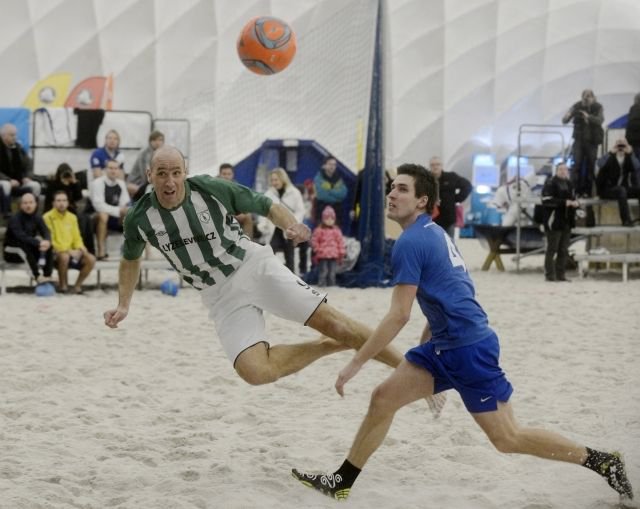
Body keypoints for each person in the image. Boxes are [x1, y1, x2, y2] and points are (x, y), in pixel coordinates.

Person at [292, 163, 634, 505]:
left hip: (468, 349)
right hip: (445, 344)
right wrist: (427, 344)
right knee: (383, 399)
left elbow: (398, 315)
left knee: (507, 438)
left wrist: (356, 363)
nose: (392, 194)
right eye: (392, 188)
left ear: (423, 200)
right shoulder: (434, 231)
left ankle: (601, 461)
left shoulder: (410, 242)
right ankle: (342, 481)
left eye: (403, 189)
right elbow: (452, 291)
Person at [103, 147, 446, 401]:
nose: (170, 180)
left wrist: (292, 224)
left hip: (253, 267)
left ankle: (414, 372)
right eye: (161, 173)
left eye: (176, 172)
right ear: (149, 177)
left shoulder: (209, 188)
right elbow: (129, 259)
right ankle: (329, 347)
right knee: (255, 371)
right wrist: (124, 304)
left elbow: (265, 204)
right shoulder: (140, 218)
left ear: (185, 172)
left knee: (337, 322)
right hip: (219, 296)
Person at [44, 190, 96, 294]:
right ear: (53, 203)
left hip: (72, 251)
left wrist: (81, 248)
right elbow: (51, 240)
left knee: (91, 258)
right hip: (55, 253)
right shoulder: (47, 217)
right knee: (64, 256)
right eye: (58, 200)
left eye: (64, 200)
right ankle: (63, 287)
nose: (61, 203)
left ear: (68, 203)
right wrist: (69, 251)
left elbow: (77, 237)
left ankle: (77, 286)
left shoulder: (72, 217)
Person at [258, 167, 305, 273]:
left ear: (283, 179)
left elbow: (300, 211)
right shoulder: (268, 194)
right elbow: (263, 211)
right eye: (272, 180)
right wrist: (262, 224)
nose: (274, 182)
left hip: (289, 228)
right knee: (269, 253)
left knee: (290, 255)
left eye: (276, 179)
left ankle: (291, 278)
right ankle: (269, 276)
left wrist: (293, 223)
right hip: (273, 228)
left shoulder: (294, 192)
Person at [3, 192, 54, 284]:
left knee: (48, 247)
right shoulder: (15, 219)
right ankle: (37, 276)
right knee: (24, 245)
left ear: (35, 204)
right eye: (25, 203)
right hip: (12, 252)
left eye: (31, 202)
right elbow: (20, 236)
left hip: (29, 250)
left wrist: (47, 241)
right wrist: (39, 243)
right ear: (21, 205)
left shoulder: (37, 217)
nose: (28, 205)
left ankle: (47, 276)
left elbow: (46, 231)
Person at [541, 162, 579, 282]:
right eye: (561, 169)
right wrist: (564, 203)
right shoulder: (550, 183)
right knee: (552, 249)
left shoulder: (569, 183)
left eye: (565, 169)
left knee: (563, 249)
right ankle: (549, 275)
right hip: (554, 220)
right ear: (556, 171)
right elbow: (546, 200)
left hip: (567, 220)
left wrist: (577, 203)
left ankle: (560, 274)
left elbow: (573, 198)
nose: (563, 171)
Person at [562, 89, 605, 197]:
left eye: (589, 96)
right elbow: (564, 120)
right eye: (585, 96)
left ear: (593, 97)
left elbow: (600, 120)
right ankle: (575, 191)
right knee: (576, 165)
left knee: (591, 166)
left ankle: (588, 191)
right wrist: (566, 116)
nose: (587, 98)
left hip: (592, 142)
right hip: (579, 140)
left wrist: (588, 117)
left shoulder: (598, 107)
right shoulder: (576, 106)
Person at [90, 158, 130, 260]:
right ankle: (101, 252)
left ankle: (131, 251)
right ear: (105, 170)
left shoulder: (121, 184)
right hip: (94, 217)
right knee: (104, 215)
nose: (113, 171)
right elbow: (99, 206)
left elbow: (124, 204)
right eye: (110, 168)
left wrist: (123, 211)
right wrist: (118, 211)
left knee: (132, 214)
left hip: (114, 217)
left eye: (116, 168)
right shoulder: (98, 183)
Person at [596, 138, 640, 226]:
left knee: (636, 190)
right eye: (619, 144)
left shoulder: (628, 157)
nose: (621, 147)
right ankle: (626, 221)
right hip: (607, 189)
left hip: (621, 189)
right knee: (621, 190)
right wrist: (611, 152)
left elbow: (637, 166)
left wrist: (630, 152)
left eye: (623, 145)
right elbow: (599, 164)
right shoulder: (610, 156)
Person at [428, 156, 472, 237]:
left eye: (438, 164)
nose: (435, 167)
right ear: (430, 166)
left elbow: (467, 186)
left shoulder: (451, 177)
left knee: (449, 243)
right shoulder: (425, 180)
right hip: (431, 219)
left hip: (448, 218)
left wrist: (456, 199)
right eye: (433, 165)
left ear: (442, 166)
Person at [0, 123, 41, 204]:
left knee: (35, 185)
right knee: (5, 185)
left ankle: (33, 211)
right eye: (12, 135)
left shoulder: (18, 148)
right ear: (3, 136)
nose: (15, 137)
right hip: (3, 181)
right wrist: (8, 180)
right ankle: (6, 212)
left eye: (15, 135)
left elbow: (29, 165)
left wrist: (27, 177)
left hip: (19, 181)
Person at [217, 162, 254, 239]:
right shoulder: (213, 185)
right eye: (224, 174)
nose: (226, 176)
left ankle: (247, 242)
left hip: (231, 213)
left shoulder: (236, 187)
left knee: (247, 216)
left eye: (229, 174)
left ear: (233, 175)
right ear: (219, 175)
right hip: (217, 212)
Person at [311, 206, 345, 286]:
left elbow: (340, 242)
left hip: (333, 255)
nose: (330, 221)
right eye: (327, 218)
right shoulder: (319, 230)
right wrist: (317, 249)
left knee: (332, 272)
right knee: (323, 271)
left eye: (332, 219)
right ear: (323, 219)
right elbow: (314, 240)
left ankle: (331, 285)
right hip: (323, 255)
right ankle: (321, 284)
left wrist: (341, 252)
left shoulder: (336, 231)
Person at [127, 130, 164, 197]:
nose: (157, 142)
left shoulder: (161, 153)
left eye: (160, 140)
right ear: (150, 141)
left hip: (148, 181)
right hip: (138, 182)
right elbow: (145, 174)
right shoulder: (144, 154)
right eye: (154, 140)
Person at [313, 156, 348, 226]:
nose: (332, 166)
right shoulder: (318, 178)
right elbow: (322, 195)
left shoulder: (339, 179)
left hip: (337, 212)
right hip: (321, 210)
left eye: (334, 164)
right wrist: (336, 194)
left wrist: (329, 190)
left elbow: (343, 194)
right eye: (330, 164)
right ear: (324, 166)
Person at [625, 92, 640, 161]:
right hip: (636, 139)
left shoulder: (633, 108)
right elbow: (634, 123)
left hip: (633, 140)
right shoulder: (635, 109)